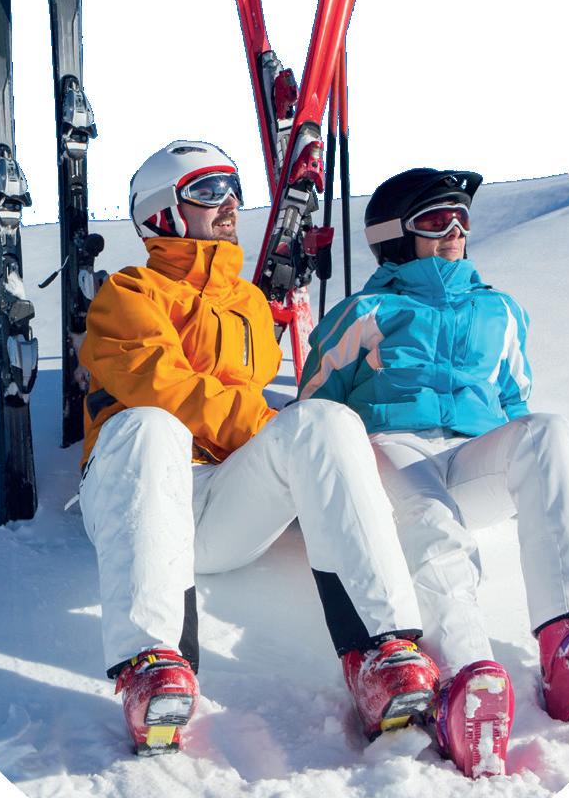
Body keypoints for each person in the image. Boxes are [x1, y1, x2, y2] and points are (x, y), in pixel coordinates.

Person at [76, 140, 439, 756]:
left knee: (323, 420)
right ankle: (152, 665)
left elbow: (262, 412)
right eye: (207, 191)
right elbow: (167, 389)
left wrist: (298, 449)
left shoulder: (247, 303)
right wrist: (269, 429)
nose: (229, 204)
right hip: (137, 496)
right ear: (162, 212)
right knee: (152, 424)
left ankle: (382, 654)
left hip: (221, 504)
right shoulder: (129, 294)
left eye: (232, 189)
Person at [298, 168, 569, 779]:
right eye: (436, 220)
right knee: (430, 518)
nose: (455, 230)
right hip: (391, 445)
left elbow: (514, 399)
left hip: (472, 454)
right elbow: (316, 408)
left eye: (462, 218)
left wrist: (521, 460)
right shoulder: (366, 311)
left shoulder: (501, 310)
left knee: (549, 433)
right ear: (394, 235)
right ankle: (464, 678)